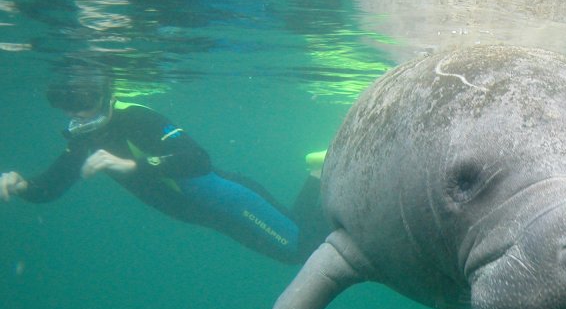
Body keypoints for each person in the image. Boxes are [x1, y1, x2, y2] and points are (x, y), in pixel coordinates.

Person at [0, 66, 324, 265]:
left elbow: (197, 160)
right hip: (209, 215)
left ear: (106, 92)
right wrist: (23, 186)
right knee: (295, 245)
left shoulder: (136, 117)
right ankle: (318, 171)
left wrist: (134, 166)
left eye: (85, 100)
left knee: (299, 249)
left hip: (228, 200)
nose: (77, 113)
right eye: (68, 106)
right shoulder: (85, 139)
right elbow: (52, 186)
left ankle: (319, 171)